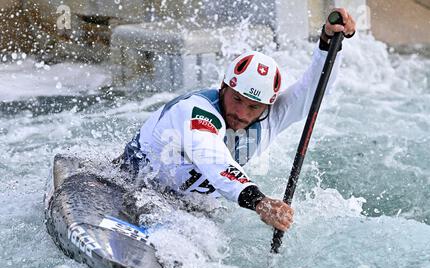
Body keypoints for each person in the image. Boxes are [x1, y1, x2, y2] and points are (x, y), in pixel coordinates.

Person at [119, 9, 356, 232]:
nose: (241, 113)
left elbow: (313, 91)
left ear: (267, 106)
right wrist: (260, 202)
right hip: (127, 186)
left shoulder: (270, 118)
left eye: (253, 106)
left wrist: (328, 42)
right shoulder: (196, 111)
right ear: (223, 87)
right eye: (237, 99)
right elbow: (213, 158)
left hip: (187, 208)